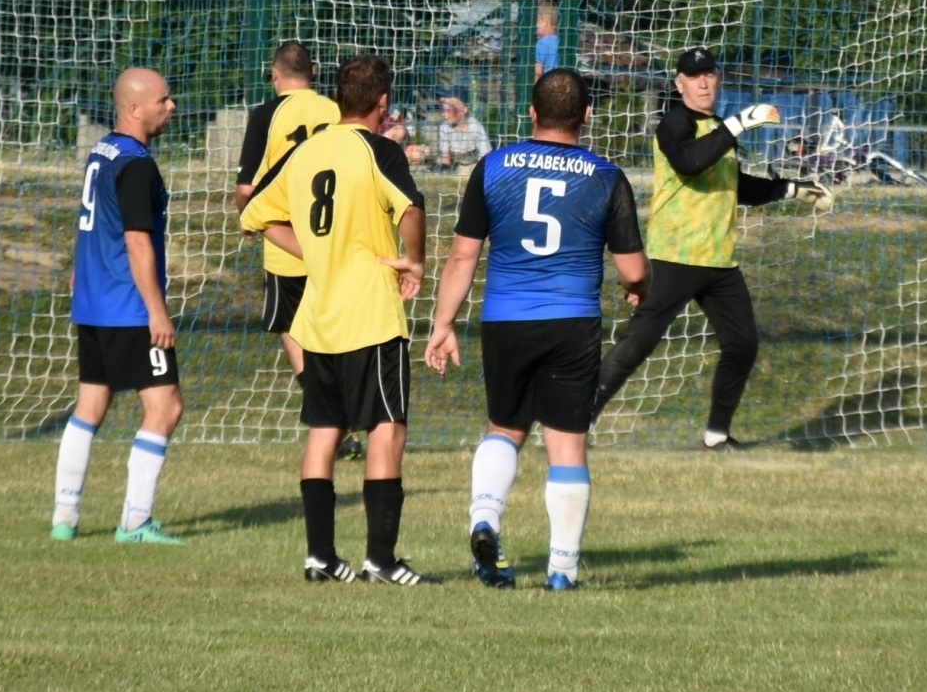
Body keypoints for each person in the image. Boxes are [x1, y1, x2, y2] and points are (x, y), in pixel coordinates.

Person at [424, 68, 649, 590]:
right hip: (572, 322)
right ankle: (562, 572)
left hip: (505, 319)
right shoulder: (605, 176)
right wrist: (640, 287)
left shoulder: (493, 166)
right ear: (587, 115)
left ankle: (485, 518)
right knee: (566, 443)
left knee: (505, 427)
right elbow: (633, 270)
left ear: (532, 113)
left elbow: (462, 257)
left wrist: (443, 323)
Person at [241, 54, 438, 586]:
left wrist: (313, 252)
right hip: (370, 315)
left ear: (338, 98)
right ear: (383, 103)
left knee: (325, 430)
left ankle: (321, 557)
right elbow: (411, 208)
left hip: (317, 317)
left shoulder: (307, 151)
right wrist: (414, 261)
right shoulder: (380, 150)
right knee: (387, 428)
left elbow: (255, 214)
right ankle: (381, 560)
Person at [593, 47, 831, 449]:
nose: (703, 83)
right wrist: (739, 124)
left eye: (709, 74)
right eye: (693, 76)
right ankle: (576, 420)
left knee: (742, 345)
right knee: (638, 344)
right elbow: (690, 162)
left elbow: (735, 185)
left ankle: (717, 436)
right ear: (679, 84)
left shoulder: (720, 128)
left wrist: (790, 189)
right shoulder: (674, 122)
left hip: (719, 261)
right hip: (676, 256)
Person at [49, 67, 186, 545]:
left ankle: (65, 518)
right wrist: (157, 311)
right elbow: (136, 241)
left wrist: (80, 270)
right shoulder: (137, 165)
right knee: (166, 407)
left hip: (92, 304)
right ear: (134, 108)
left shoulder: (102, 151)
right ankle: (135, 522)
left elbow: (93, 221)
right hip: (128, 308)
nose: (171, 106)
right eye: (163, 100)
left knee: (90, 405)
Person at [233, 42, 366, 456]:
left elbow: (246, 189)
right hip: (334, 240)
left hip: (286, 246)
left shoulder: (267, 114)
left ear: (274, 74)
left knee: (292, 329)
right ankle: (348, 413)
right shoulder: (335, 109)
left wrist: (250, 218)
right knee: (335, 328)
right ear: (314, 73)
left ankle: (330, 416)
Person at [436, 93, 492, 169]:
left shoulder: (476, 127)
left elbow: (485, 154)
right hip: (453, 164)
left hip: (471, 164)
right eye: (443, 110)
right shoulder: (445, 127)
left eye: (449, 109)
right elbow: (445, 157)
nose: (444, 114)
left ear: (464, 110)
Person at [534, 4, 559, 81]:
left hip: (546, 84)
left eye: (536, 21)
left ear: (545, 23)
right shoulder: (560, 42)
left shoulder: (541, 45)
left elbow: (537, 73)